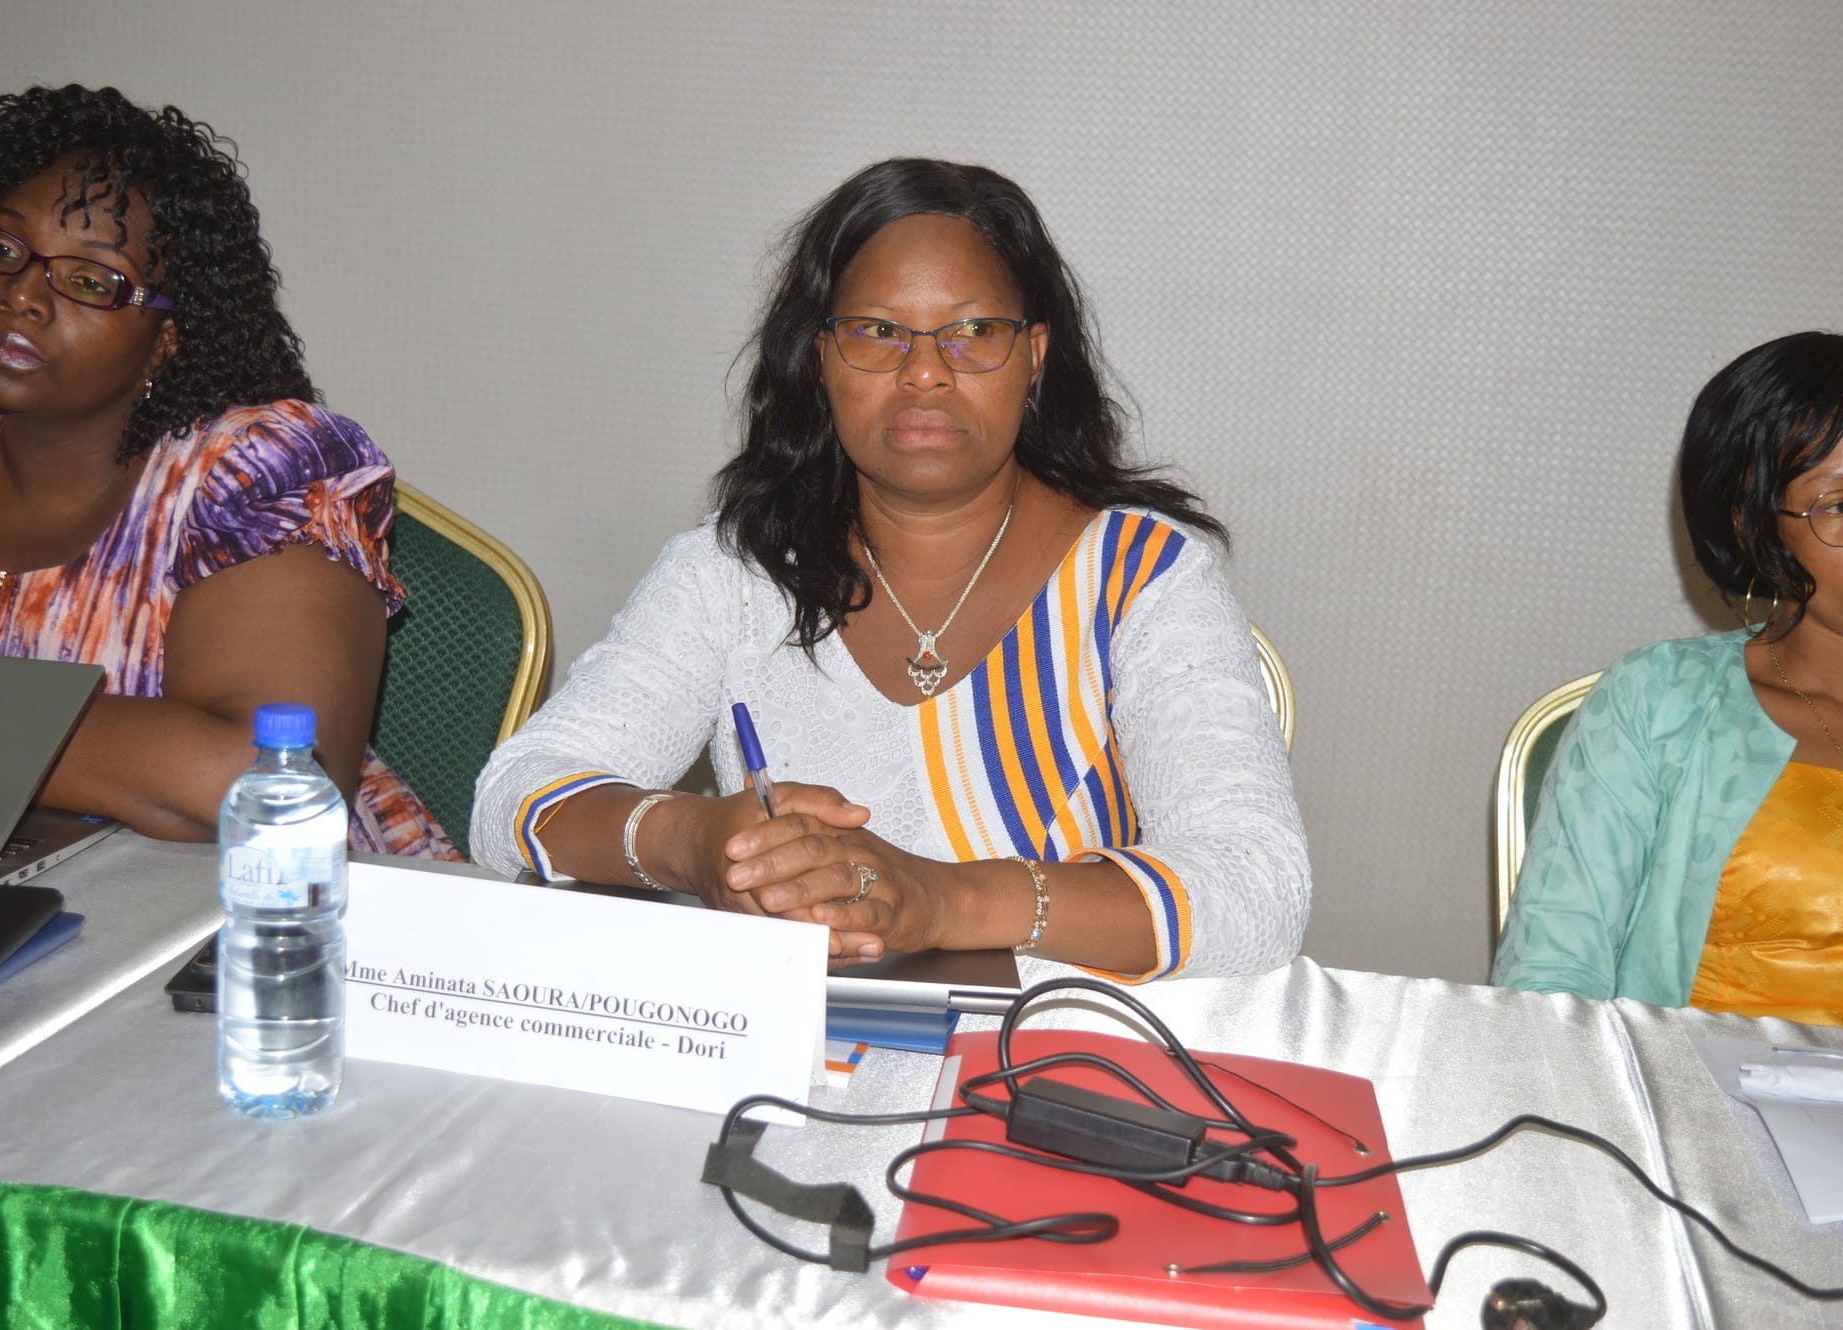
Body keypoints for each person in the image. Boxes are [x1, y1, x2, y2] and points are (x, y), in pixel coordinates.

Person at [471, 158, 1308, 979]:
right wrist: (692, 843)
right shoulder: (733, 573)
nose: (925, 373)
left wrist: (944, 900)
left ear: (1034, 356)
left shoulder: (1143, 577)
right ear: (822, 358)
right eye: (877, 332)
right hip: (794, 1046)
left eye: (974, 332)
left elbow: (1257, 890)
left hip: (1050, 1049)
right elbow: (511, 799)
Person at [0, 84, 452, 857]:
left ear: (168, 336)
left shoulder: (258, 476)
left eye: (90, 281)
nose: (21, 295)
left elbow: (260, 784)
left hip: (273, 908)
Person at [1494, 332, 1843, 1023]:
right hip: (1689, 1088)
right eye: (1840, 505)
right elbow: (1550, 984)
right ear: (1753, 525)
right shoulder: (1660, 703)